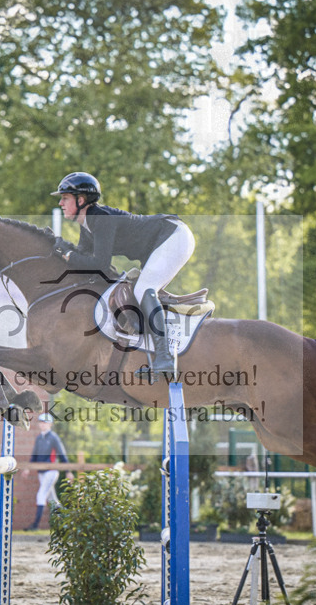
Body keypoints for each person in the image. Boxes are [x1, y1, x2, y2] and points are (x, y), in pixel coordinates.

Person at [50, 172, 196, 376]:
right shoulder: (88, 226)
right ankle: (154, 356)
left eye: (65, 197)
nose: (60, 202)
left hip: (173, 236)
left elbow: (99, 265)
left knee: (144, 289)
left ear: (81, 200)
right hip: (160, 243)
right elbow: (83, 261)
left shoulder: (101, 220)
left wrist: (67, 254)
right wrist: (62, 249)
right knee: (139, 290)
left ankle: (164, 358)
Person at [25, 412, 69, 530]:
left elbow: (62, 454)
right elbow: (34, 455)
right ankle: (68, 522)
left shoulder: (54, 437)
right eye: (41, 422)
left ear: (50, 424)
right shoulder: (39, 438)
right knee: (52, 500)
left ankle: (35, 525)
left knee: (41, 495)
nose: (43, 425)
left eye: (45, 422)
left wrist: (68, 471)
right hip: (41, 472)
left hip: (51, 471)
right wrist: (28, 468)